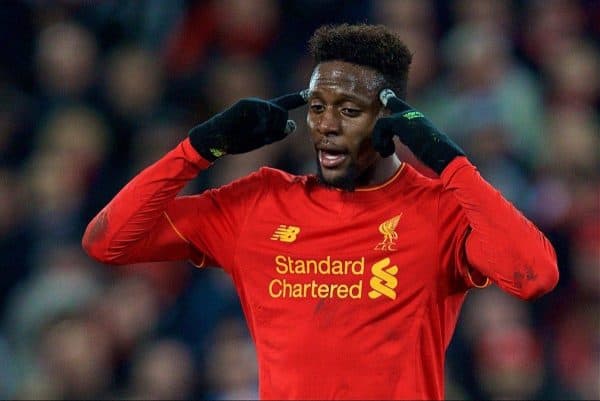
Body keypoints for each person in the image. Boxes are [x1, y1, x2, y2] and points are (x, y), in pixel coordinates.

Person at [82, 24, 559, 400]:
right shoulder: (257, 204)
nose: (326, 126)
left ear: (389, 119)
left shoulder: (439, 211)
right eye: (316, 106)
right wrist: (200, 146)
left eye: (349, 111)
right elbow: (108, 240)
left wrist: (452, 164)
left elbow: (536, 273)